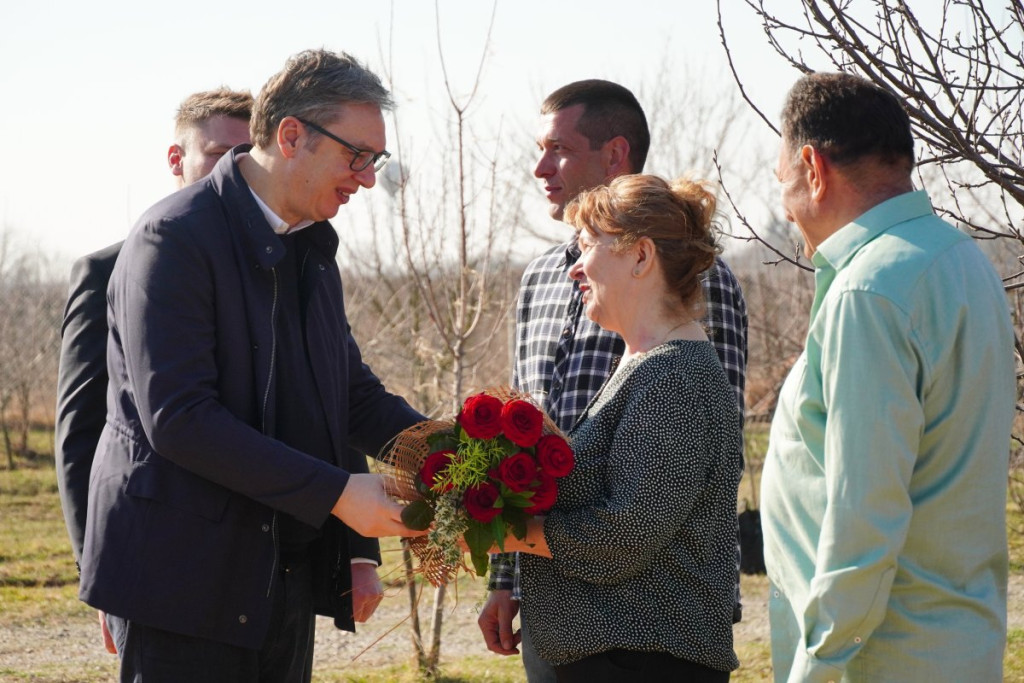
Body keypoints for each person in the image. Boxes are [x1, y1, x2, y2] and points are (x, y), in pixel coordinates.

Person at [77, 50, 425, 682]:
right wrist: (338, 493)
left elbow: (350, 394)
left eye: (375, 160)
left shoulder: (309, 247)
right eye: (357, 156)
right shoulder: (174, 238)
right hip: (179, 587)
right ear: (291, 136)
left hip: (277, 580)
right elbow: (180, 419)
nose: (367, 179)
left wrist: (454, 452)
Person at [479, 79, 749, 682]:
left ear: (641, 257)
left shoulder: (677, 373)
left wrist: (512, 532)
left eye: (590, 246)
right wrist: (506, 568)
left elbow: (638, 525)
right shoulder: (637, 354)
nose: (577, 267)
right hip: (575, 632)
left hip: (642, 645)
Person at [762, 72, 1016, 682]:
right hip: (953, 647)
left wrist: (816, 667)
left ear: (812, 168)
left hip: (877, 659)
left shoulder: (869, 292)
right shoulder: (962, 259)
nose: (786, 208)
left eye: (781, 182)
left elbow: (864, 519)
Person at [54, 87, 254, 654]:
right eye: (219, 155)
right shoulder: (106, 271)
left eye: (247, 157)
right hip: (149, 568)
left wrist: (356, 554)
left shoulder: (274, 271)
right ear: (176, 159)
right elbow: (80, 434)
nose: (235, 172)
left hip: (254, 574)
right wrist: (99, 572)